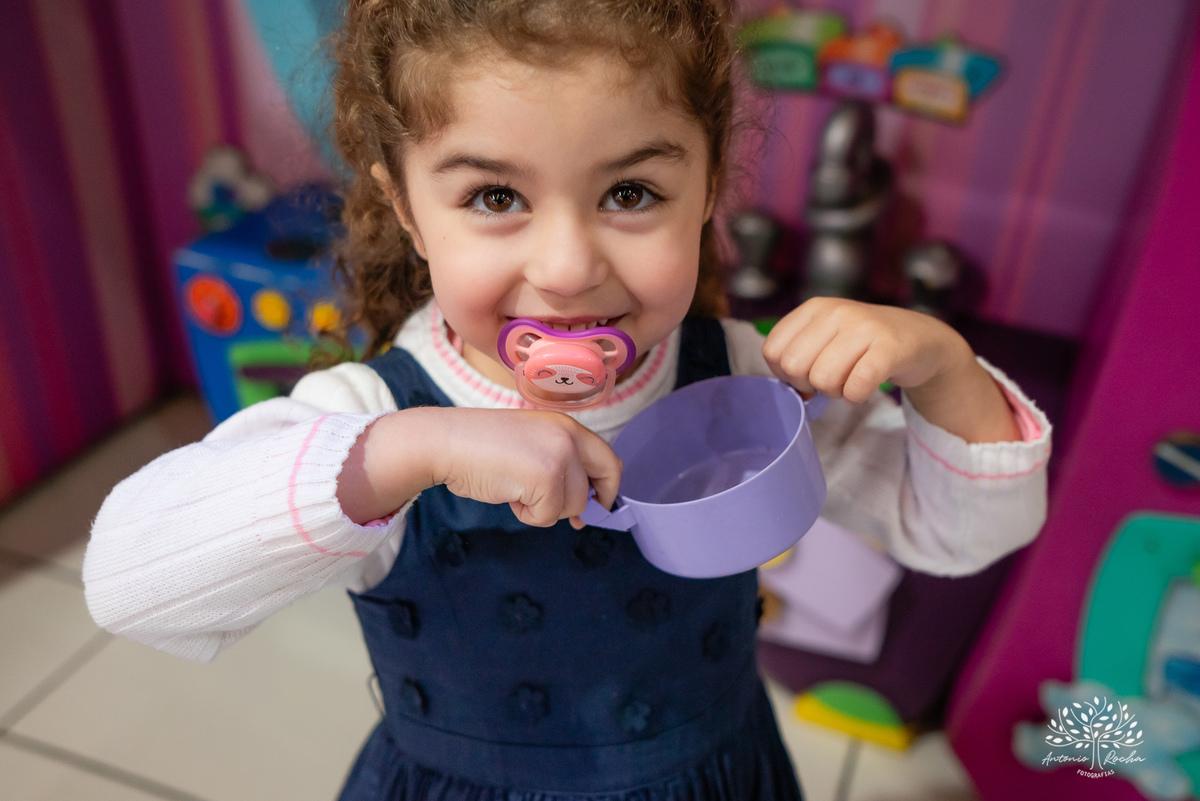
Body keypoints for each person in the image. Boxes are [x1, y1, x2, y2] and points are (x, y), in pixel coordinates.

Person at [83, 1, 1051, 798]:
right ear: (409, 209)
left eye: (629, 193)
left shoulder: (748, 380)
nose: (568, 267)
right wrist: (401, 454)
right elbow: (130, 584)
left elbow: (965, 532)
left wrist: (943, 368)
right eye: (495, 198)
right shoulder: (368, 415)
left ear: (709, 183)